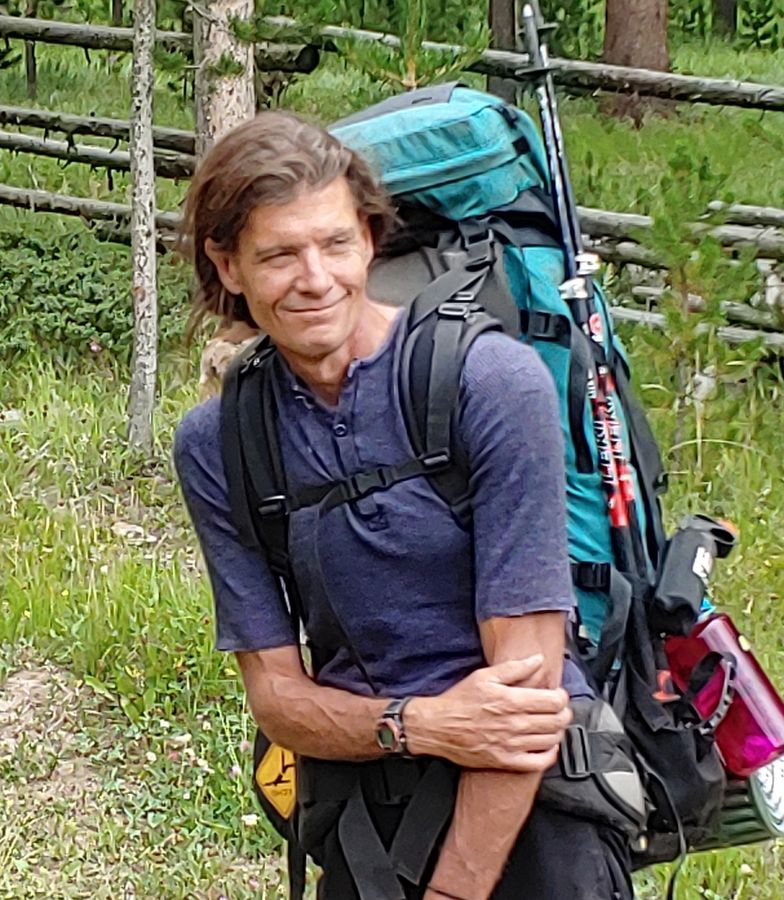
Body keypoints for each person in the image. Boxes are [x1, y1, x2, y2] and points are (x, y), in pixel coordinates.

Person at [173, 111, 634, 900]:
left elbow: (525, 697)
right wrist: (421, 724)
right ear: (229, 265)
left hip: (535, 810)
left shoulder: (492, 383)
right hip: (369, 809)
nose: (316, 279)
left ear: (369, 240)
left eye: (336, 244)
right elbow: (277, 700)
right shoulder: (221, 441)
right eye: (280, 255)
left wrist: (454, 891)